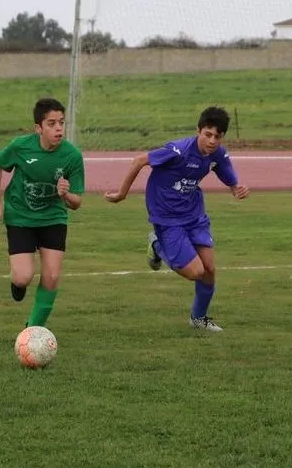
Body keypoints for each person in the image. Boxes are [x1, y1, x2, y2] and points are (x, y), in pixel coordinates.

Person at [105, 107, 250, 332]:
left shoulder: (217, 153)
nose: (212, 141)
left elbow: (226, 172)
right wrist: (121, 194)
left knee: (209, 269)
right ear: (198, 131)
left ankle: (198, 319)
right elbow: (139, 160)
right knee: (195, 272)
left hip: (194, 214)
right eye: (208, 134)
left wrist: (236, 188)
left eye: (218, 136)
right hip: (166, 216)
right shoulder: (178, 150)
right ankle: (156, 244)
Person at [0, 98, 85, 329]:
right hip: (20, 216)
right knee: (23, 276)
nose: (59, 128)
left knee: (52, 277)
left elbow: (77, 202)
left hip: (53, 218)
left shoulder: (72, 156)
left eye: (61, 122)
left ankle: (32, 331)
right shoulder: (21, 146)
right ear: (38, 128)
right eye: (51, 123)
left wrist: (65, 195)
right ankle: (17, 284)